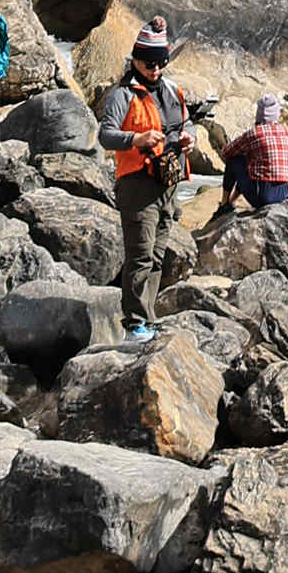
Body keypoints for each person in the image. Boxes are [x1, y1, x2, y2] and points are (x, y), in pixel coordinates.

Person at [97, 19, 190, 341]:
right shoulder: (122, 95)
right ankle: (134, 323)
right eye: (149, 64)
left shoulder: (171, 89)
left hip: (169, 182)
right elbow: (105, 135)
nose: (155, 70)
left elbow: (184, 125)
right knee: (139, 254)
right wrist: (135, 140)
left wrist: (187, 139)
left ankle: (147, 318)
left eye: (161, 63)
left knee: (157, 255)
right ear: (135, 60)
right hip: (137, 183)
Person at [220, 94, 288, 212]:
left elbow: (227, 152)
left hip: (263, 196)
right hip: (282, 193)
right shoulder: (284, 131)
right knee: (250, 164)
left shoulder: (255, 133)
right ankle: (232, 201)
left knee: (235, 160)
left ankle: (224, 203)